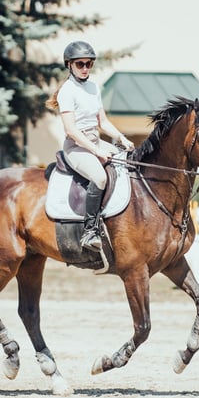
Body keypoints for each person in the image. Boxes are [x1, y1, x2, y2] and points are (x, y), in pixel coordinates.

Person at [46, 40, 134, 252]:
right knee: (100, 177)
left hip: (95, 140)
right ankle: (90, 231)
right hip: (76, 147)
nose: (85, 68)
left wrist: (122, 138)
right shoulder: (67, 91)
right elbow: (71, 131)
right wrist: (97, 152)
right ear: (69, 65)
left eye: (89, 64)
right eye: (80, 64)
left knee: (130, 161)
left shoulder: (93, 87)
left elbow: (102, 122)